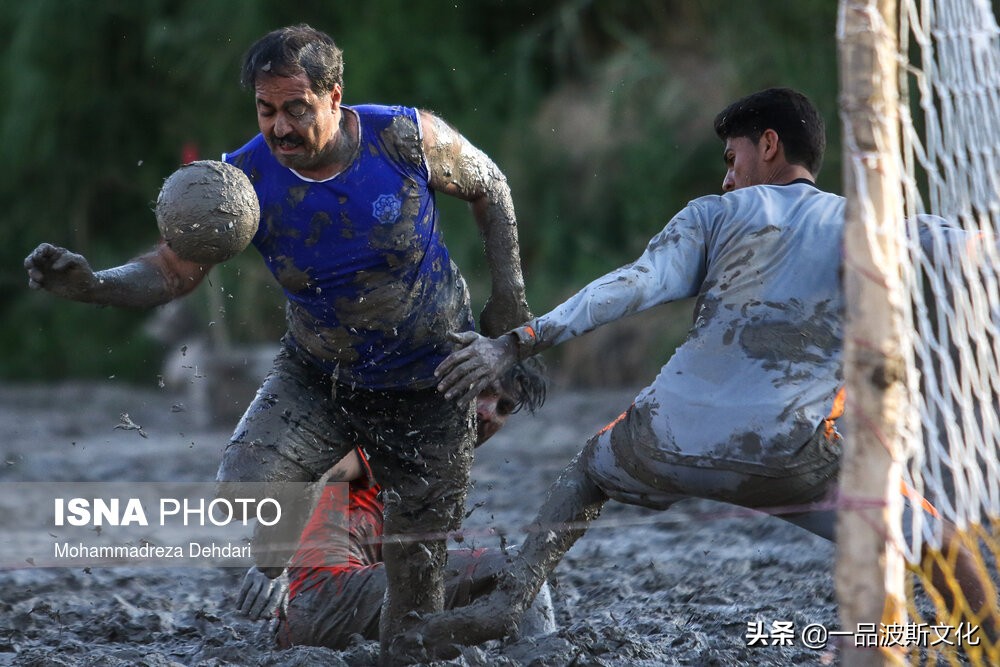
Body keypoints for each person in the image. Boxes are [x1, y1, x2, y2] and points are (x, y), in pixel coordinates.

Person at [392, 87, 1000, 658]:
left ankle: (510, 600)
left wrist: (520, 342)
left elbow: (629, 287)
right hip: (792, 456)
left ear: (768, 145)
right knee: (943, 549)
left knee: (586, 470)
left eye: (732, 158)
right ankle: (990, 640)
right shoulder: (865, 224)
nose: (727, 175)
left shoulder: (712, 215)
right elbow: (968, 248)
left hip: (665, 441)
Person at [23, 23, 534, 664]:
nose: (280, 128)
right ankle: (291, 574)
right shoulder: (240, 182)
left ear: (333, 96)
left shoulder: (404, 138)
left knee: (415, 591)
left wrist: (509, 300)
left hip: (430, 374)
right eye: (266, 111)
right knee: (245, 484)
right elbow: (172, 269)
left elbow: (491, 186)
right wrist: (95, 284)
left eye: (296, 109)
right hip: (319, 370)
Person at [236, 383, 556, 649]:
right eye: (482, 392)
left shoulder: (433, 464)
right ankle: (547, 656)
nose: (488, 412)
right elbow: (309, 471)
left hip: (307, 622)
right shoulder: (391, 438)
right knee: (518, 564)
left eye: (503, 406)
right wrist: (272, 562)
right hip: (327, 596)